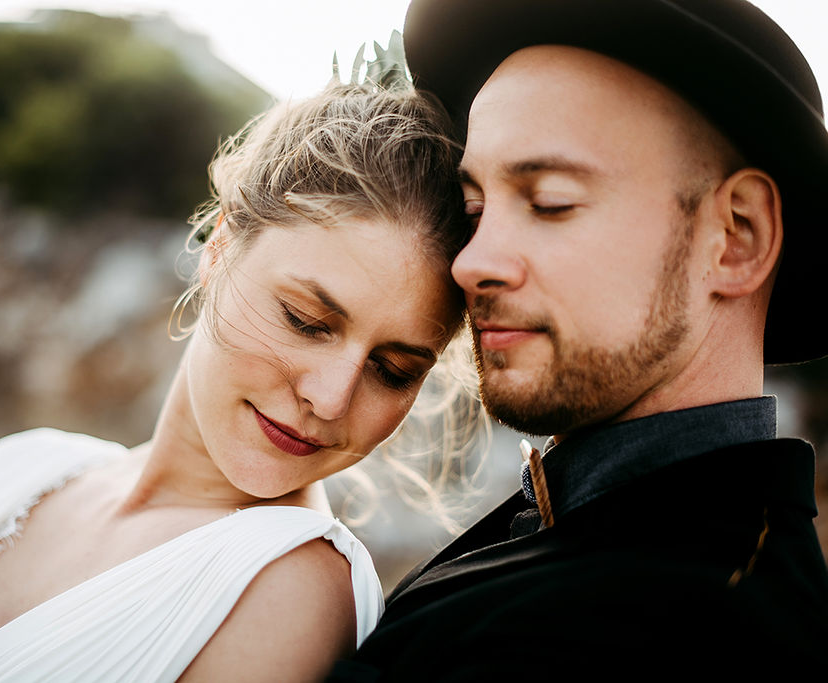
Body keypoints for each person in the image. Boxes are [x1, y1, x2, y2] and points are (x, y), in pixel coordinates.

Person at [0, 79, 472, 683]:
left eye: (393, 370)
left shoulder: (290, 591)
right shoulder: (14, 470)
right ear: (218, 250)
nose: (330, 398)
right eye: (306, 320)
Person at [327, 0, 828, 680]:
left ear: (736, 236)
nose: (471, 261)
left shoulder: (664, 639)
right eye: (474, 208)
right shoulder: (592, 528)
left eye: (550, 202)